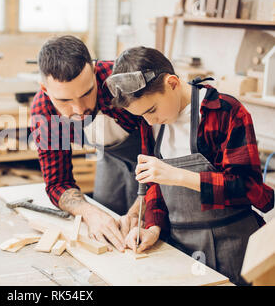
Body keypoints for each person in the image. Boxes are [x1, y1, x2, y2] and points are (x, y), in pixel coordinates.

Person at [105, 46, 274, 285]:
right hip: (180, 246)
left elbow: (248, 187)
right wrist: (152, 228)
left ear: (172, 83)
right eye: (142, 115)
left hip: (232, 244)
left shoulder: (226, 112)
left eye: (152, 110)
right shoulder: (151, 122)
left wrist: (177, 175)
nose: (149, 120)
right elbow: (155, 185)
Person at [30, 35, 143, 252]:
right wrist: (90, 213)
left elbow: (165, 152)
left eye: (86, 93)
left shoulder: (121, 82)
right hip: (111, 159)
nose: (80, 110)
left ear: (93, 71)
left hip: (156, 160)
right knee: (106, 218)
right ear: (45, 90)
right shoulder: (44, 111)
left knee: (152, 227)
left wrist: (140, 209)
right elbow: (57, 183)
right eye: (65, 101)